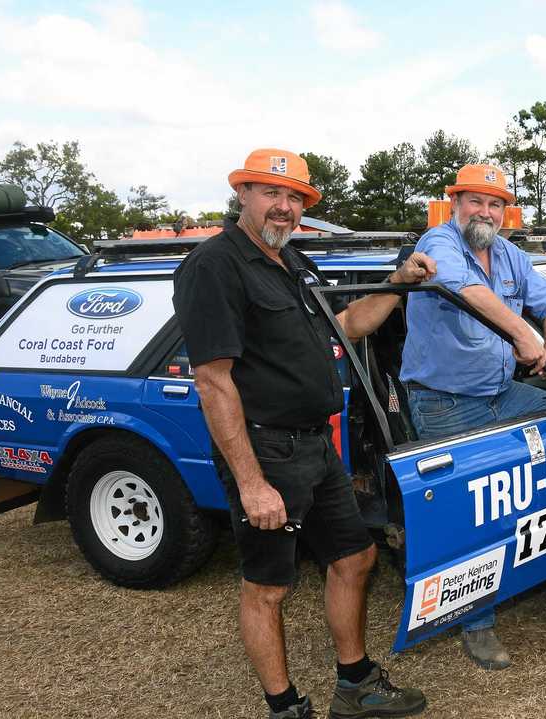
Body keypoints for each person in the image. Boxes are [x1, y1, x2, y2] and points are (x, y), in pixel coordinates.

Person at [174, 149, 431, 719]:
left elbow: (344, 328)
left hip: (315, 445)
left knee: (356, 557)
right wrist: (251, 482)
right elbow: (214, 383)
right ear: (241, 194)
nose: (284, 206)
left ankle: (356, 684)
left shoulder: (294, 262)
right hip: (265, 449)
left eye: (295, 198)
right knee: (268, 586)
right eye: (270, 192)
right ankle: (285, 707)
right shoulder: (215, 266)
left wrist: (396, 283)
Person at [400, 163, 546, 671]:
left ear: (505, 212)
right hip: (444, 401)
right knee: (465, 514)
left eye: (495, 204)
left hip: (504, 393)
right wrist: (524, 334)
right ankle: (475, 623)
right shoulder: (440, 242)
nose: (485, 212)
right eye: (475, 201)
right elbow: (462, 289)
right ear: (455, 204)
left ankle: (542, 552)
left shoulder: (509, 253)